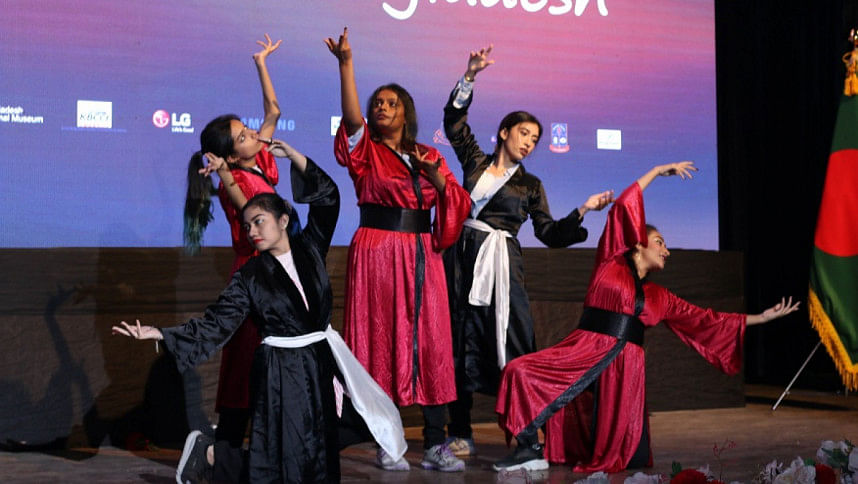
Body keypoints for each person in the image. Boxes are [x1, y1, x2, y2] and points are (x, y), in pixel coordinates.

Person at [114, 152, 407, 483]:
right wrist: (160, 334)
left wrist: (295, 156)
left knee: (348, 429)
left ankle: (214, 456)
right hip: (282, 371)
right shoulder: (251, 275)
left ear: (282, 220)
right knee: (288, 455)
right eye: (247, 225)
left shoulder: (310, 248)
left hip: (320, 360)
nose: (252, 230)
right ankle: (215, 455)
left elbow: (328, 197)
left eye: (259, 221)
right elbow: (218, 322)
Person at [493, 162, 800, 473]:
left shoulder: (659, 297)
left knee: (625, 456)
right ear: (638, 243)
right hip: (584, 350)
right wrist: (658, 170)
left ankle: (559, 450)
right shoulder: (611, 261)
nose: (666, 250)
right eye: (660, 242)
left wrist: (761, 318)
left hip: (625, 370)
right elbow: (623, 207)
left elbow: (706, 320)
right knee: (519, 371)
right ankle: (529, 447)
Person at [441, 45, 614, 457]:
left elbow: (549, 233)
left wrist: (583, 211)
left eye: (535, 139)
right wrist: (470, 76)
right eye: (524, 134)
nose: (530, 143)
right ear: (504, 132)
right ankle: (461, 431)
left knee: (514, 343)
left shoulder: (531, 185)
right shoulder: (475, 162)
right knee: (458, 340)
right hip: (463, 261)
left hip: (505, 268)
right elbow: (454, 123)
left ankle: (524, 435)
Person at [324, 28, 472, 472]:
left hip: (423, 253)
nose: (382, 107)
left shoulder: (427, 155)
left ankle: (434, 443)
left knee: (430, 342)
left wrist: (435, 175)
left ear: (405, 111)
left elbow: (455, 202)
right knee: (379, 340)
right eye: (377, 103)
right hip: (378, 251)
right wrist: (345, 64)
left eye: (391, 103)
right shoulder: (365, 151)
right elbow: (351, 120)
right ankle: (386, 440)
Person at [182, 34, 291, 447]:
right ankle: (225, 449)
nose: (253, 134)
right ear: (229, 156)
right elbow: (251, 213)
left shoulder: (258, 161)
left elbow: (274, 111)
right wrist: (226, 175)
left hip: (275, 272)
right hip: (252, 277)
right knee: (245, 361)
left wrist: (261, 63)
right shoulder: (234, 181)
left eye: (247, 129)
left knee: (270, 359)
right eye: (244, 135)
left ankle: (261, 449)